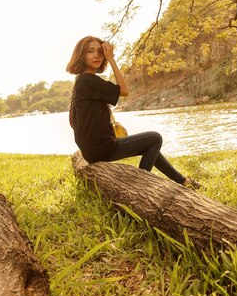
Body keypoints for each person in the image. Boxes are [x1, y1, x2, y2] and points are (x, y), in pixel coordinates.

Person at [66, 35, 200, 189]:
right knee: (154, 138)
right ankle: (139, 185)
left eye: (100, 52)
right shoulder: (88, 80)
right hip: (102, 148)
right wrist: (112, 59)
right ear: (81, 55)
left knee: (149, 146)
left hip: (93, 150)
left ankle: (183, 182)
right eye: (91, 51)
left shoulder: (82, 80)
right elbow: (124, 90)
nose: (97, 55)